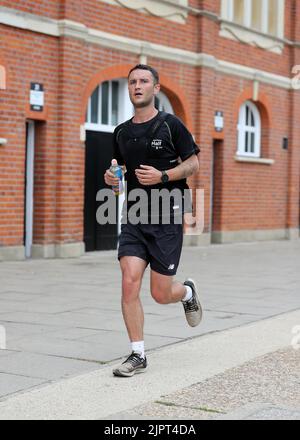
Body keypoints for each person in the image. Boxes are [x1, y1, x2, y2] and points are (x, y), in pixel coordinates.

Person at [104, 64, 202, 378]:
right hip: (134, 214)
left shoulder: (171, 125)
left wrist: (163, 175)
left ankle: (186, 293)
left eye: (144, 81)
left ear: (156, 88)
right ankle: (138, 353)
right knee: (128, 281)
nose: (137, 85)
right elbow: (120, 177)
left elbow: (194, 164)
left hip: (168, 214)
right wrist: (112, 179)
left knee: (161, 294)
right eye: (132, 81)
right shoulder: (121, 132)